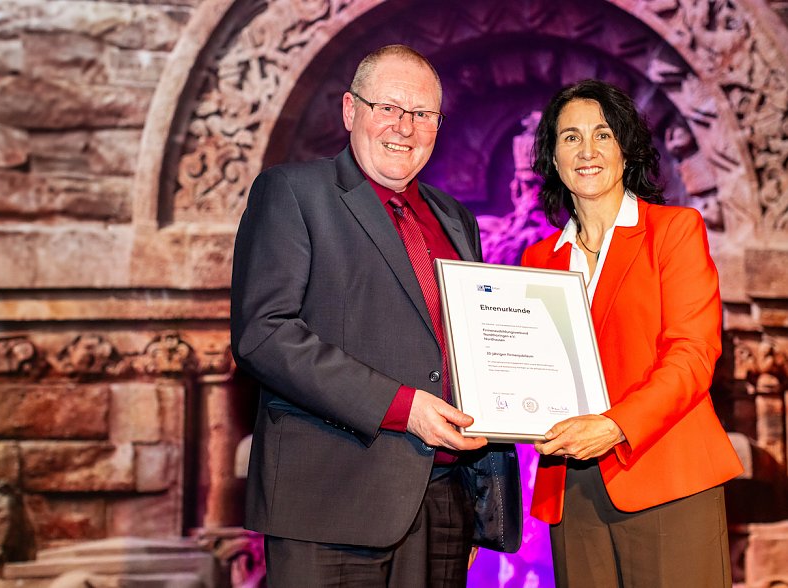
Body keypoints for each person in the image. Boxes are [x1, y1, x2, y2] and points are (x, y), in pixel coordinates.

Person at [231, 44, 521, 587]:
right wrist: (401, 407)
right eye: (389, 107)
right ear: (350, 110)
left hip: (442, 505)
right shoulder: (293, 192)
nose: (405, 128)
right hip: (329, 504)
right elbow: (264, 335)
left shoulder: (454, 218)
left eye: (423, 114)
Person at [520, 79, 743, 587]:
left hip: (667, 474)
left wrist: (616, 425)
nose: (588, 150)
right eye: (570, 137)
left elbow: (692, 355)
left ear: (626, 151)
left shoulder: (674, 231)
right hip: (571, 487)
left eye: (603, 134)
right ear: (553, 158)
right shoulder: (537, 260)